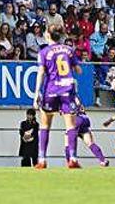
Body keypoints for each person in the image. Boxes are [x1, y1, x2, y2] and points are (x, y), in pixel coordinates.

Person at [33, 25, 82, 169]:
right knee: (70, 125)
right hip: (67, 89)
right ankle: (72, 158)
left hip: (51, 90)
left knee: (45, 124)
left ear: (48, 35)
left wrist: (36, 92)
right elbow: (78, 70)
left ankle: (42, 159)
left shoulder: (44, 52)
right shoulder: (69, 50)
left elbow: (41, 73)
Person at [66, 97, 108, 167]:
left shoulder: (64, 97)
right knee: (90, 143)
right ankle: (103, 160)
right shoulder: (75, 96)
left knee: (67, 143)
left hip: (75, 120)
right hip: (84, 119)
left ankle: (70, 162)